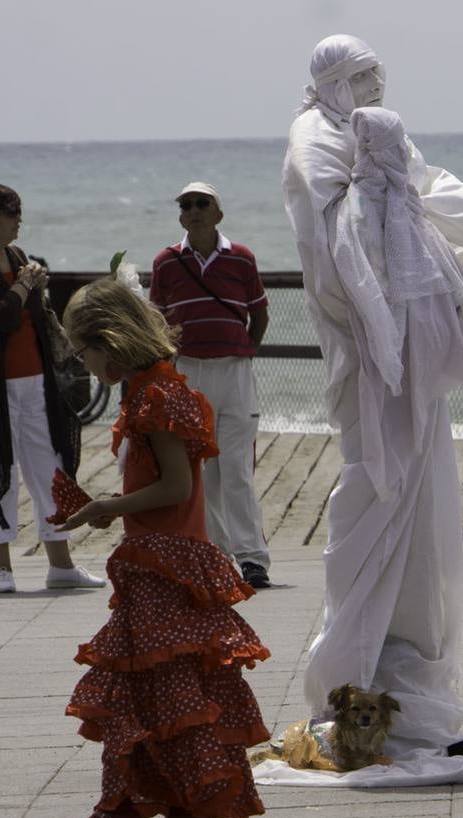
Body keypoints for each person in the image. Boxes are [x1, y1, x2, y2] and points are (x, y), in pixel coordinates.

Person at [282, 35, 463, 756]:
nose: (378, 83)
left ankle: (408, 660)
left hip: (409, 352)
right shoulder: (314, 140)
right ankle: (350, 661)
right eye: (365, 75)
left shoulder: (376, 135)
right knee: (371, 493)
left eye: (380, 73)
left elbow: (442, 214)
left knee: (423, 505)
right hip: (363, 352)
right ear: (336, 80)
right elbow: (328, 249)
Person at [44, 278, 270, 818]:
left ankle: (128, 812)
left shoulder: (156, 397)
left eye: (84, 351)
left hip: (165, 562)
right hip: (165, 558)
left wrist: (106, 506)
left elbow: (175, 486)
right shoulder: (154, 389)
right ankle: (176, 811)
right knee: (157, 698)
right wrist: (107, 506)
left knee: (152, 697)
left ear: (111, 342)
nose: (83, 363)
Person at [0, 181, 104, 594]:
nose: (20, 221)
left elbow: (32, 315)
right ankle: (1, 569)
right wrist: (22, 284)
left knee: (49, 470)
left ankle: (61, 564)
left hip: (35, 381)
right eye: (12, 213)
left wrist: (36, 284)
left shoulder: (17, 257)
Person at [149, 182, 272, 589]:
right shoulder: (167, 262)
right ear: (181, 215)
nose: (194, 210)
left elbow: (259, 314)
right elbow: (156, 320)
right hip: (189, 372)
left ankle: (252, 559)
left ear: (218, 213)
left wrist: (244, 349)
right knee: (199, 471)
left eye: (203, 203)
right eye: (186, 204)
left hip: (233, 370)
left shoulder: (242, 258)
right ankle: (216, 555)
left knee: (235, 469)